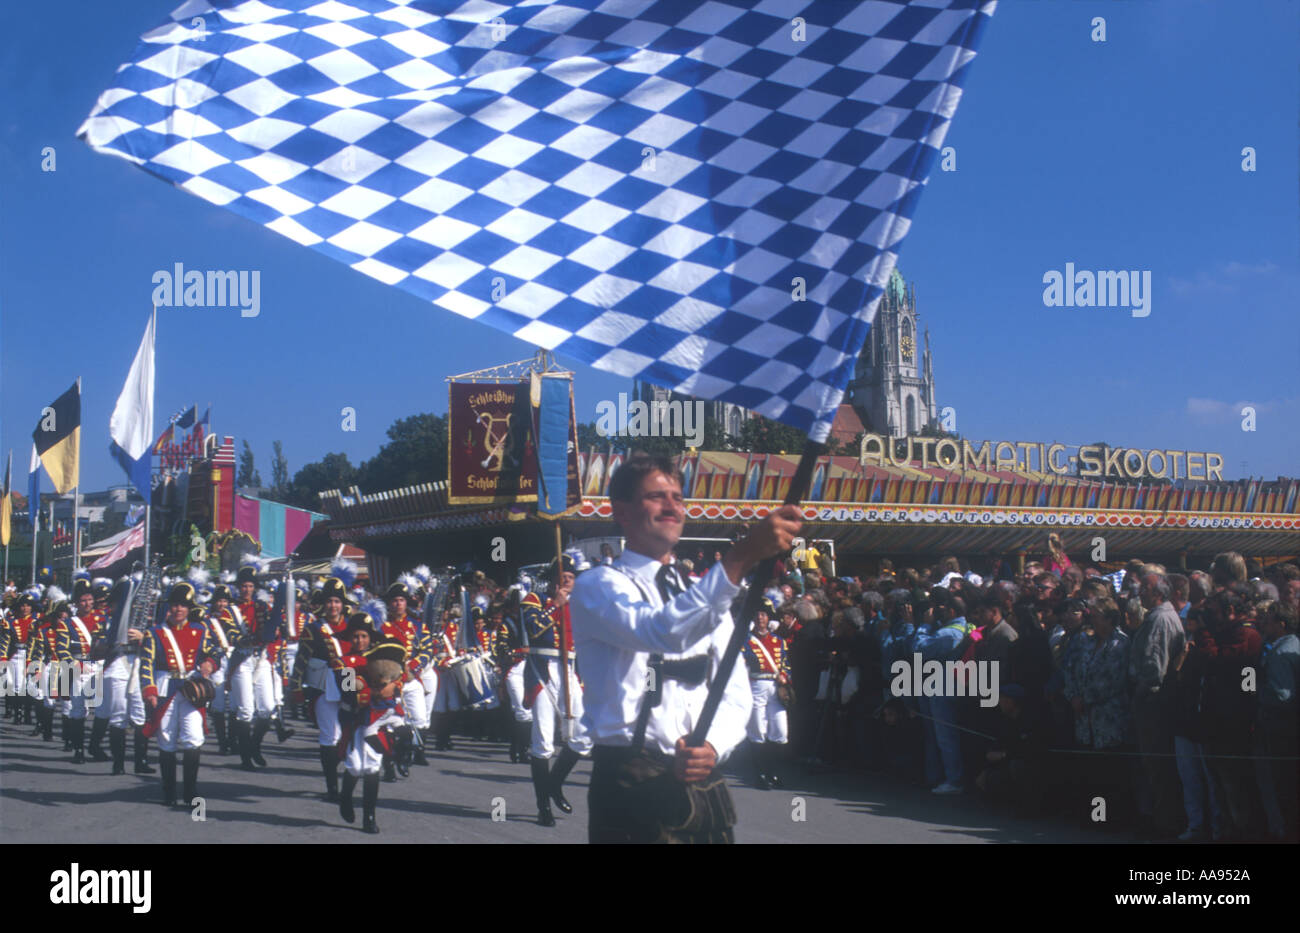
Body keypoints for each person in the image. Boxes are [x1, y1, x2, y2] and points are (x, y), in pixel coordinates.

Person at [571, 453, 801, 844]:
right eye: (656, 496)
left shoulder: (701, 591)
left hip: (701, 784)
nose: (671, 506)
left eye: (677, 497)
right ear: (622, 512)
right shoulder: (598, 586)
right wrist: (741, 556)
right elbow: (660, 632)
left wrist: (713, 745)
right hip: (631, 780)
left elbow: (733, 690)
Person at [522, 555, 592, 827]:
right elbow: (533, 628)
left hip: (570, 671)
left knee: (585, 735)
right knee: (543, 741)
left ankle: (554, 783)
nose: (566, 580)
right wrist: (554, 606)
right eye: (562, 575)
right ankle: (543, 807)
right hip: (542, 669)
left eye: (571, 576)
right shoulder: (534, 600)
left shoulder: (580, 607)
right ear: (552, 579)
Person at [139, 583, 221, 809]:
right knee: (166, 739)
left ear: (189, 608)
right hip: (166, 690)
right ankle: (168, 790)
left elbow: (215, 652)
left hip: (191, 690)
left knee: (193, 738)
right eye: (175, 605)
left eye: (183, 606)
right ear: (169, 607)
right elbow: (146, 664)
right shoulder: (154, 633)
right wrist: (149, 689)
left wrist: (209, 663)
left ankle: (190, 790)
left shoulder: (200, 630)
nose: (178, 610)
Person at [1127, 571, 1186, 839]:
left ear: (1159, 592)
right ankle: (1160, 817)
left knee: (1158, 764)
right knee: (1154, 766)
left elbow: (1154, 664)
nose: (1141, 592)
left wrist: (1144, 693)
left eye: (1146, 588)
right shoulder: (1156, 617)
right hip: (1152, 702)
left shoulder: (1161, 619)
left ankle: (1165, 822)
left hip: (1154, 703)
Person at [290, 575, 356, 799]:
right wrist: (296, 687)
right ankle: (332, 787)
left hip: (348, 678)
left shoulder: (353, 625)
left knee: (349, 728)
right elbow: (301, 660)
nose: (333, 606)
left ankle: (346, 779)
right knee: (330, 735)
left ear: (343, 604)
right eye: (329, 601)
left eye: (337, 601)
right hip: (324, 684)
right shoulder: (314, 629)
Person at [742, 598, 790, 789]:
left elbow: (786, 664)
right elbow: (740, 667)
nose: (760, 617)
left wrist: (785, 676)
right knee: (757, 731)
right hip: (755, 685)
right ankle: (760, 774)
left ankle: (773, 772)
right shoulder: (745, 641)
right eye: (758, 614)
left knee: (780, 731)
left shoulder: (779, 641)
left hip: (776, 688)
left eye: (764, 614)